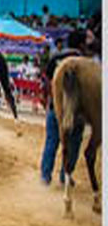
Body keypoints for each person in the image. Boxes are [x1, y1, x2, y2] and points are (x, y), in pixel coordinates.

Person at [39, 45, 84, 187]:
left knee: (52, 142)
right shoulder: (83, 62)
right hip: (75, 111)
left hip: (55, 108)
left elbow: (45, 81)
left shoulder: (54, 59)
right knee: (74, 143)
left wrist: (47, 98)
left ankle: (46, 176)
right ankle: (66, 175)